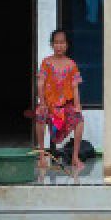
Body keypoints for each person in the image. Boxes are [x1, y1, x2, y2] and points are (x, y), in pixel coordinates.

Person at [35, 29, 85, 169]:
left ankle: (75, 157)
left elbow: (75, 87)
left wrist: (77, 105)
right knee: (40, 115)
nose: (59, 45)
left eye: (62, 42)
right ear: (52, 44)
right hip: (49, 104)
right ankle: (41, 155)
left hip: (65, 105)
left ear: (67, 45)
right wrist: (42, 103)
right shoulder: (46, 62)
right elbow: (40, 83)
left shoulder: (71, 64)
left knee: (79, 121)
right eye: (56, 42)